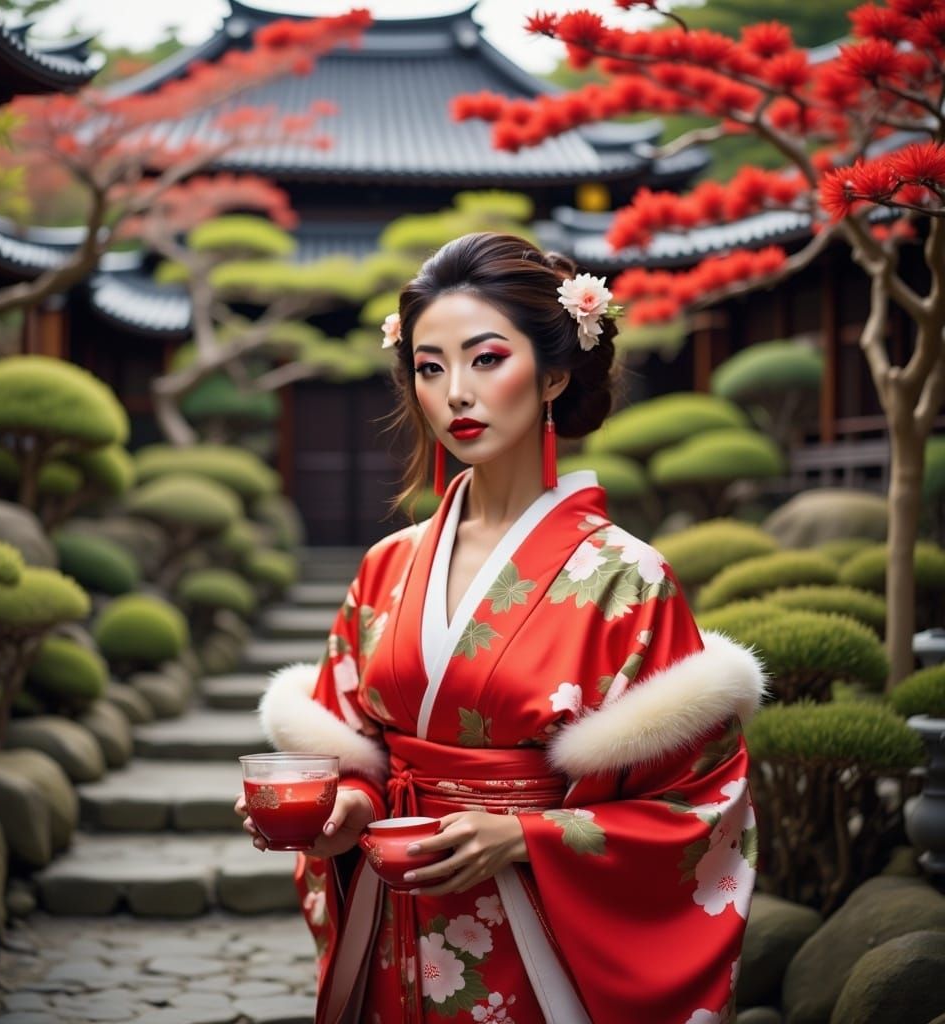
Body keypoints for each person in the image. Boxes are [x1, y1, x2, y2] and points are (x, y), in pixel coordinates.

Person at [236, 232, 766, 1024]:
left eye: (486, 359)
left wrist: (528, 836)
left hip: (536, 941)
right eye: (429, 366)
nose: (455, 393)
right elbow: (353, 738)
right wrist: (344, 808)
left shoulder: (628, 578)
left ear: (553, 374)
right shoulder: (388, 564)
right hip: (395, 916)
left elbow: (699, 805)